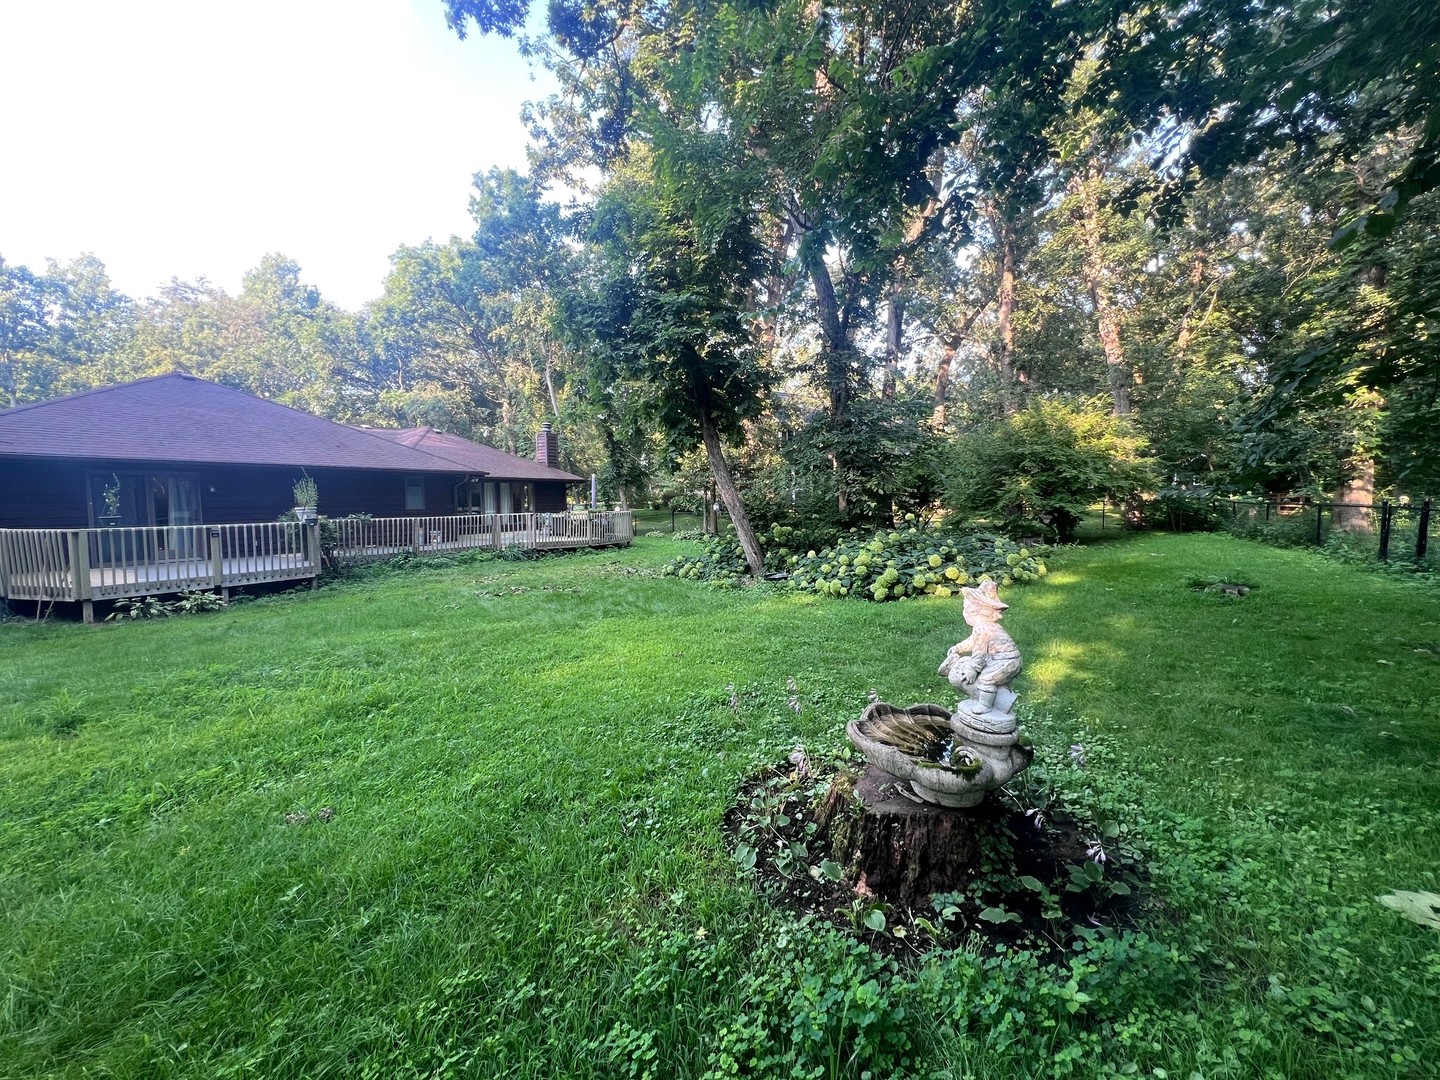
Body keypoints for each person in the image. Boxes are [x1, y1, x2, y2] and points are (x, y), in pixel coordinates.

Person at [938, 580, 1022, 716]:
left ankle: (985, 706)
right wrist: (958, 648)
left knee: (985, 679)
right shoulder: (986, 626)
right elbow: (973, 642)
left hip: (1007, 662)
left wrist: (973, 669)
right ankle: (1003, 700)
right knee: (991, 677)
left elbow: (980, 653)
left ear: (974, 610)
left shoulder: (982, 627)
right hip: (1004, 660)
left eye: (966, 608)